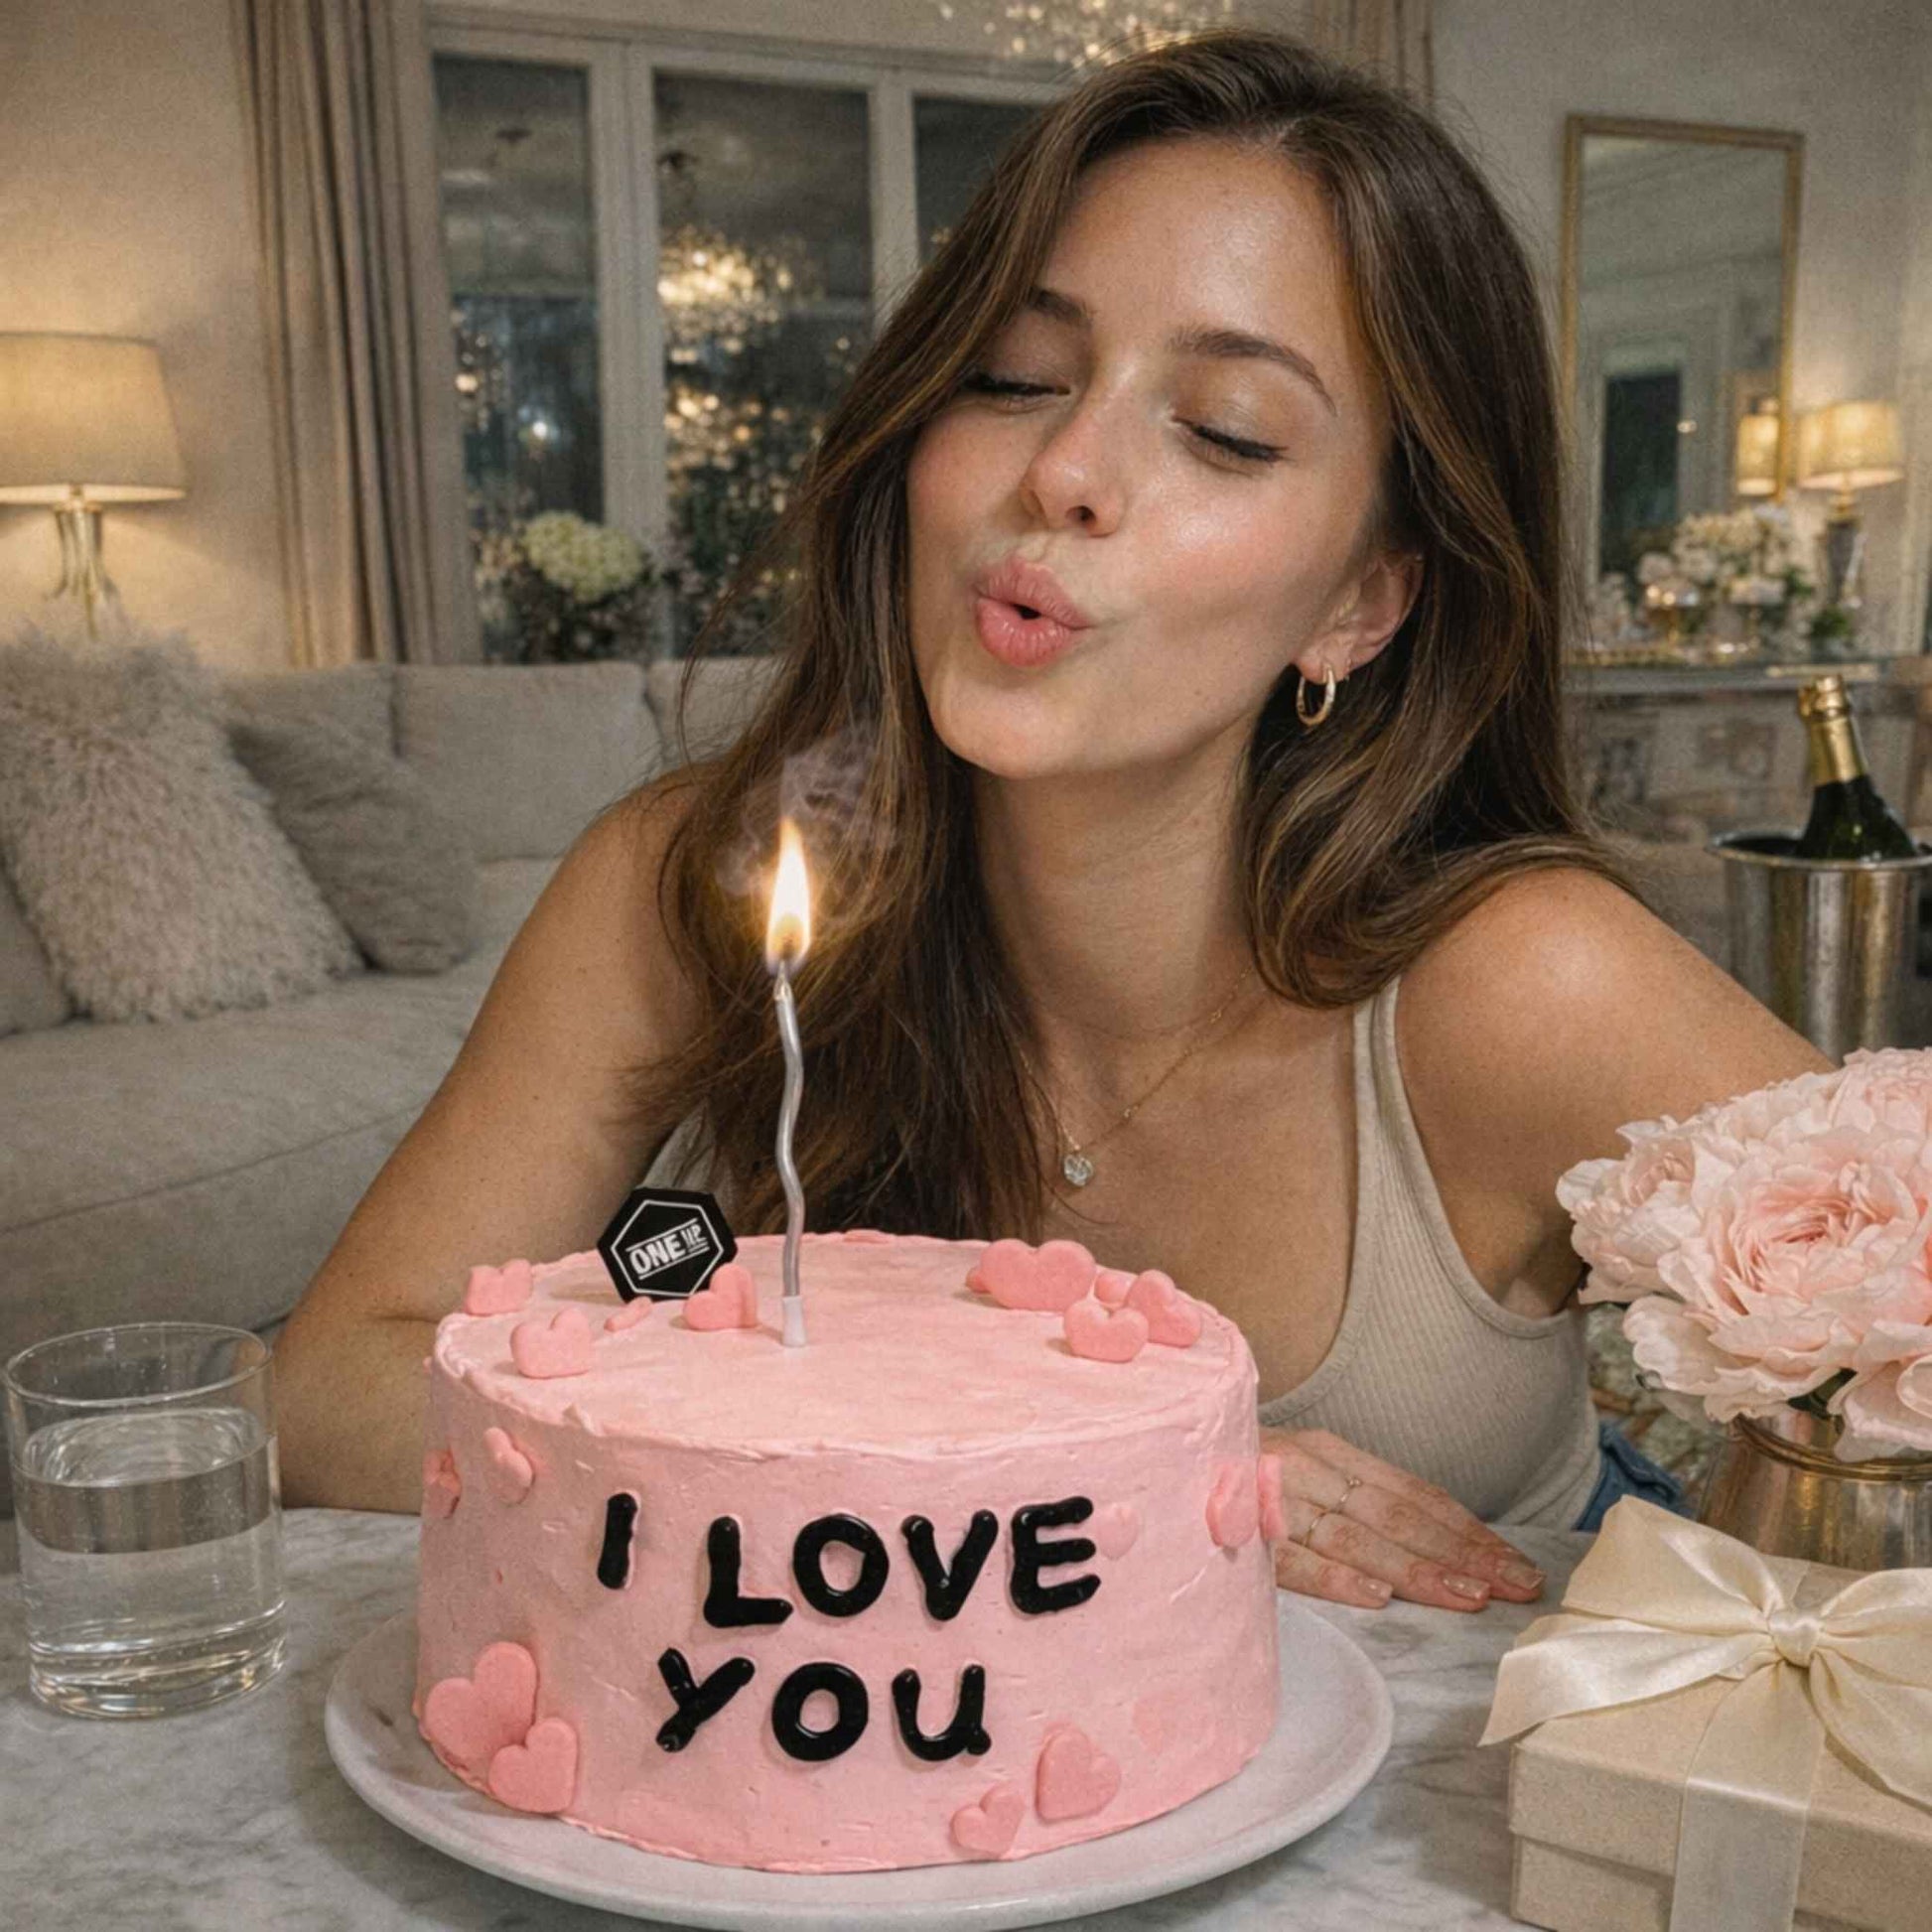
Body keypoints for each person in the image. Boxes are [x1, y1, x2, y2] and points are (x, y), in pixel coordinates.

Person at [272, 29, 1830, 1614]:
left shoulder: (1518, 978)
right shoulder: (688, 882)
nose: (1064, 468)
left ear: (1358, 603)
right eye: (1015, 377)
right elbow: (326, 1390)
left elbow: (1888, 1329)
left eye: (1224, 428)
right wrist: (1073, 1482)